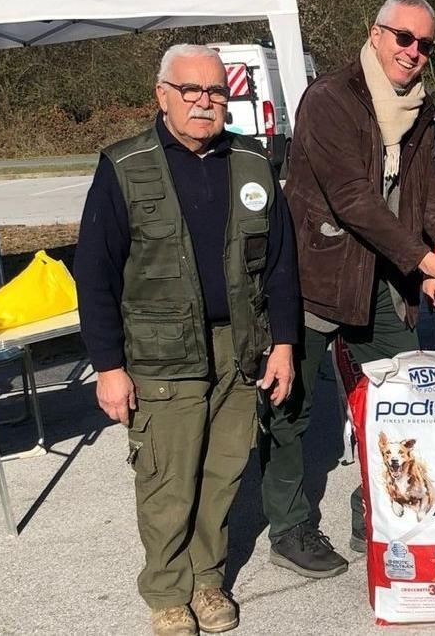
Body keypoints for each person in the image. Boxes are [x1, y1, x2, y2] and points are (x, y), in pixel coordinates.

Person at [262, 0, 435, 577]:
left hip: (381, 280)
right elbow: (353, 202)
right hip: (318, 276)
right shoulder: (330, 99)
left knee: (401, 405)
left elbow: (431, 197)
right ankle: (289, 528)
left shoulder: (420, 106)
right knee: (293, 408)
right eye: (402, 38)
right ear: (375, 34)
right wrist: (428, 264)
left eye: (424, 44)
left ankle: (378, 506)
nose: (412, 52)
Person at [75, 43, 299, 636]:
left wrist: (283, 344)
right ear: (162, 96)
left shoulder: (251, 162)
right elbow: (94, 273)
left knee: (223, 473)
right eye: (191, 91)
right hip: (159, 355)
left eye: (217, 92)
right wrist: (108, 366)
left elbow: (280, 262)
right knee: (168, 479)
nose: (205, 103)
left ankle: (206, 581)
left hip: (239, 347)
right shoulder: (126, 166)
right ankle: (168, 591)